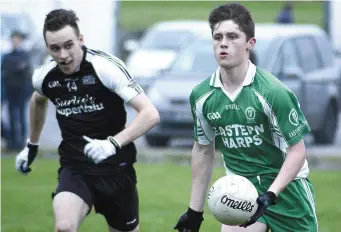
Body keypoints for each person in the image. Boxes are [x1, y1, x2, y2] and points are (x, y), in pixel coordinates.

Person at [174, 3, 317, 232]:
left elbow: (297, 151)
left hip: (288, 193)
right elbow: (203, 150)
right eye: (217, 36)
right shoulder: (202, 96)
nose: (223, 43)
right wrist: (194, 211)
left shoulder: (273, 92)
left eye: (232, 36)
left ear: (250, 43)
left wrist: (271, 194)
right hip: (239, 194)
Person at [15, 9, 160, 232]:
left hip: (116, 170)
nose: (63, 55)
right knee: (64, 227)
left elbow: (150, 114)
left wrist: (111, 144)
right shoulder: (45, 76)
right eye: (55, 48)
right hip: (75, 168)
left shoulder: (105, 68)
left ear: (81, 40)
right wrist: (31, 145)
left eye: (68, 45)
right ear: (48, 48)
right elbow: (38, 100)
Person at [1, 31, 33, 150]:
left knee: (21, 117)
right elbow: (6, 71)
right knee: (11, 117)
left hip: (21, 92)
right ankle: (13, 143)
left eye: (17, 39)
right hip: (10, 92)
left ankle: (21, 142)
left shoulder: (25, 55)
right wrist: (17, 68)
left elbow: (26, 72)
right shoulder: (7, 56)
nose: (15, 41)